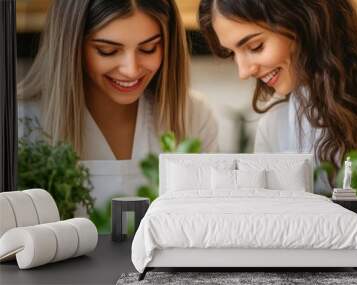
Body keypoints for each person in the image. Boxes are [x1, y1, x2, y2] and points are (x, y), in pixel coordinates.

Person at [18, 0, 218, 208]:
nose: (131, 70)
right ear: (72, 46)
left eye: (149, 49)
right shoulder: (22, 121)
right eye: (107, 51)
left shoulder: (194, 115)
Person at [199, 0, 357, 188]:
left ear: (306, 20)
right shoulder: (275, 126)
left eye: (255, 46)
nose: (243, 72)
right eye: (232, 53)